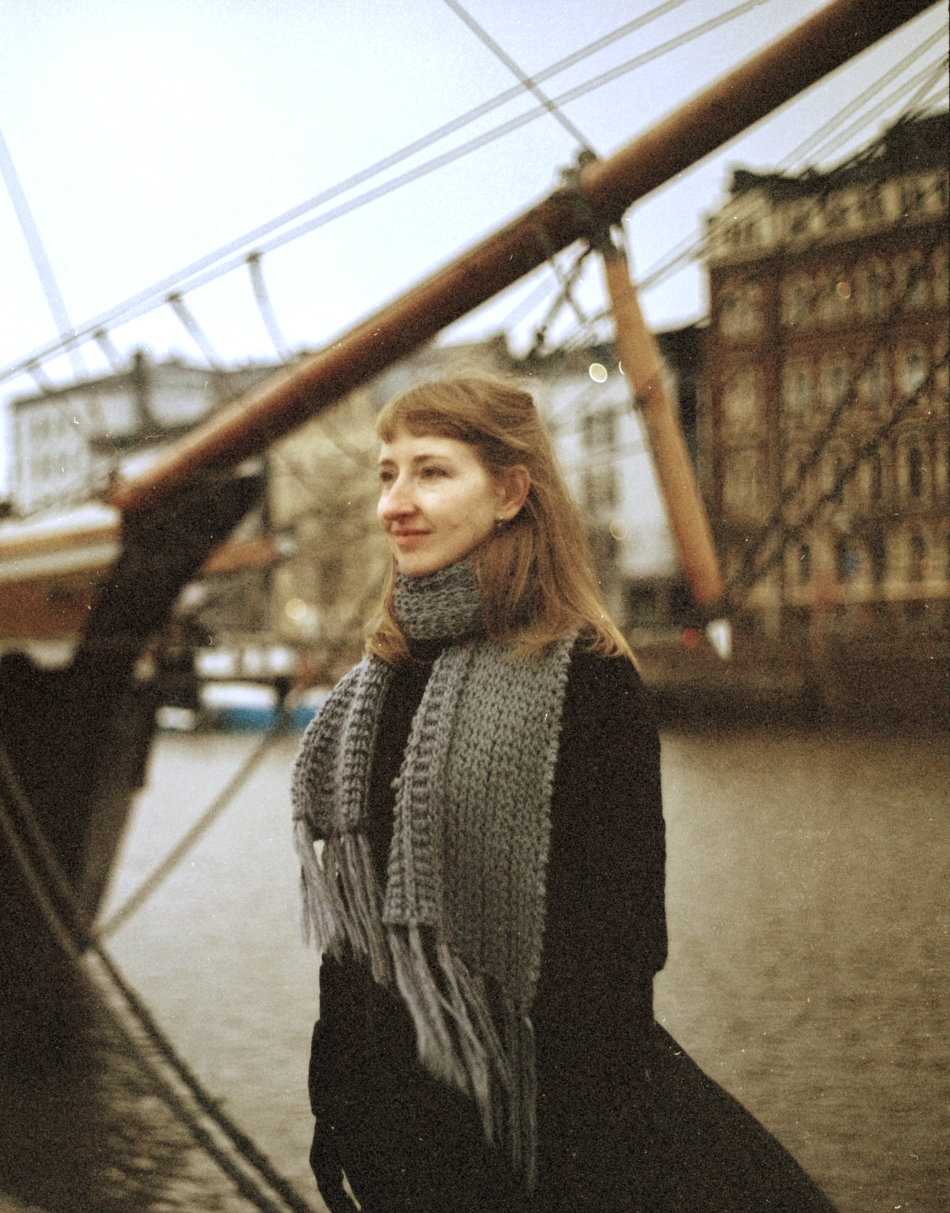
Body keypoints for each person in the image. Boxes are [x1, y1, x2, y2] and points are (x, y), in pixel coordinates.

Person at [291, 376, 838, 1211]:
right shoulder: (369, 692)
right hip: (393, 1140)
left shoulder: (587, 679)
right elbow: (352, 952)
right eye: (386, 474)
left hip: (527, 1140)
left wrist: (549, 1162)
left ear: (511, 492)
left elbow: (619, 956)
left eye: (431, 473)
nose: (393, 503)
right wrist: (337, 1110)